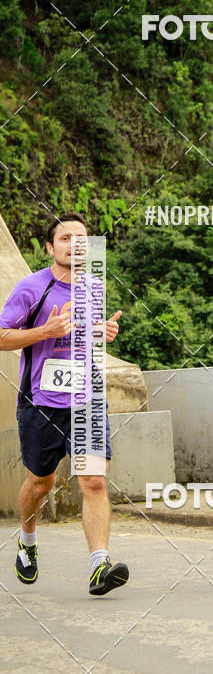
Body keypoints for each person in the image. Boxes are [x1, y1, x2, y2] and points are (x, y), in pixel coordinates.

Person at [0, 211, 128, 596]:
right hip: (40, 402)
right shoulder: (31, 288)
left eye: (82, 239)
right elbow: (2, 336)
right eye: (66, 238)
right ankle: (27, 539)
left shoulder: (93, 288)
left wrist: (103, 332)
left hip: (86, 400)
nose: (75, 244)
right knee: (41, 483)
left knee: (92, 481)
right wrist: (44, 331)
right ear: (49, 247)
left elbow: (83, 339)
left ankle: (98, 566)